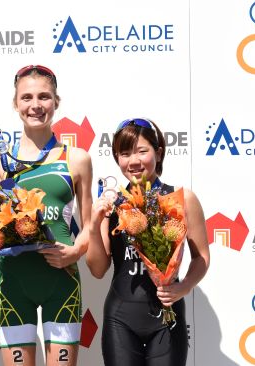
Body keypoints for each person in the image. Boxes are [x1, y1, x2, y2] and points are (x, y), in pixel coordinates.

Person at [0, 65, 93, 366]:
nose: (35, 105)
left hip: (62, 280)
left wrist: (77, 250)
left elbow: (90, 222)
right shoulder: (1, 161)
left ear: (57, 101)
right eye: (26, 97)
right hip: (14, 284)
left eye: (44, 96)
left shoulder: (77, 158)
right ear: (15, 104)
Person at [86, 118, 210, 366]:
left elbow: (202, 258)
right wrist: (92, 226)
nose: (133, 161)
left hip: (167, 316)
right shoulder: (112, 203)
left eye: (142, 151)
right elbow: (98, 269)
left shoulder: (182, 198)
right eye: (124, 153)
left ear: (159, 152)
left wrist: (183, 288)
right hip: (120, 318)